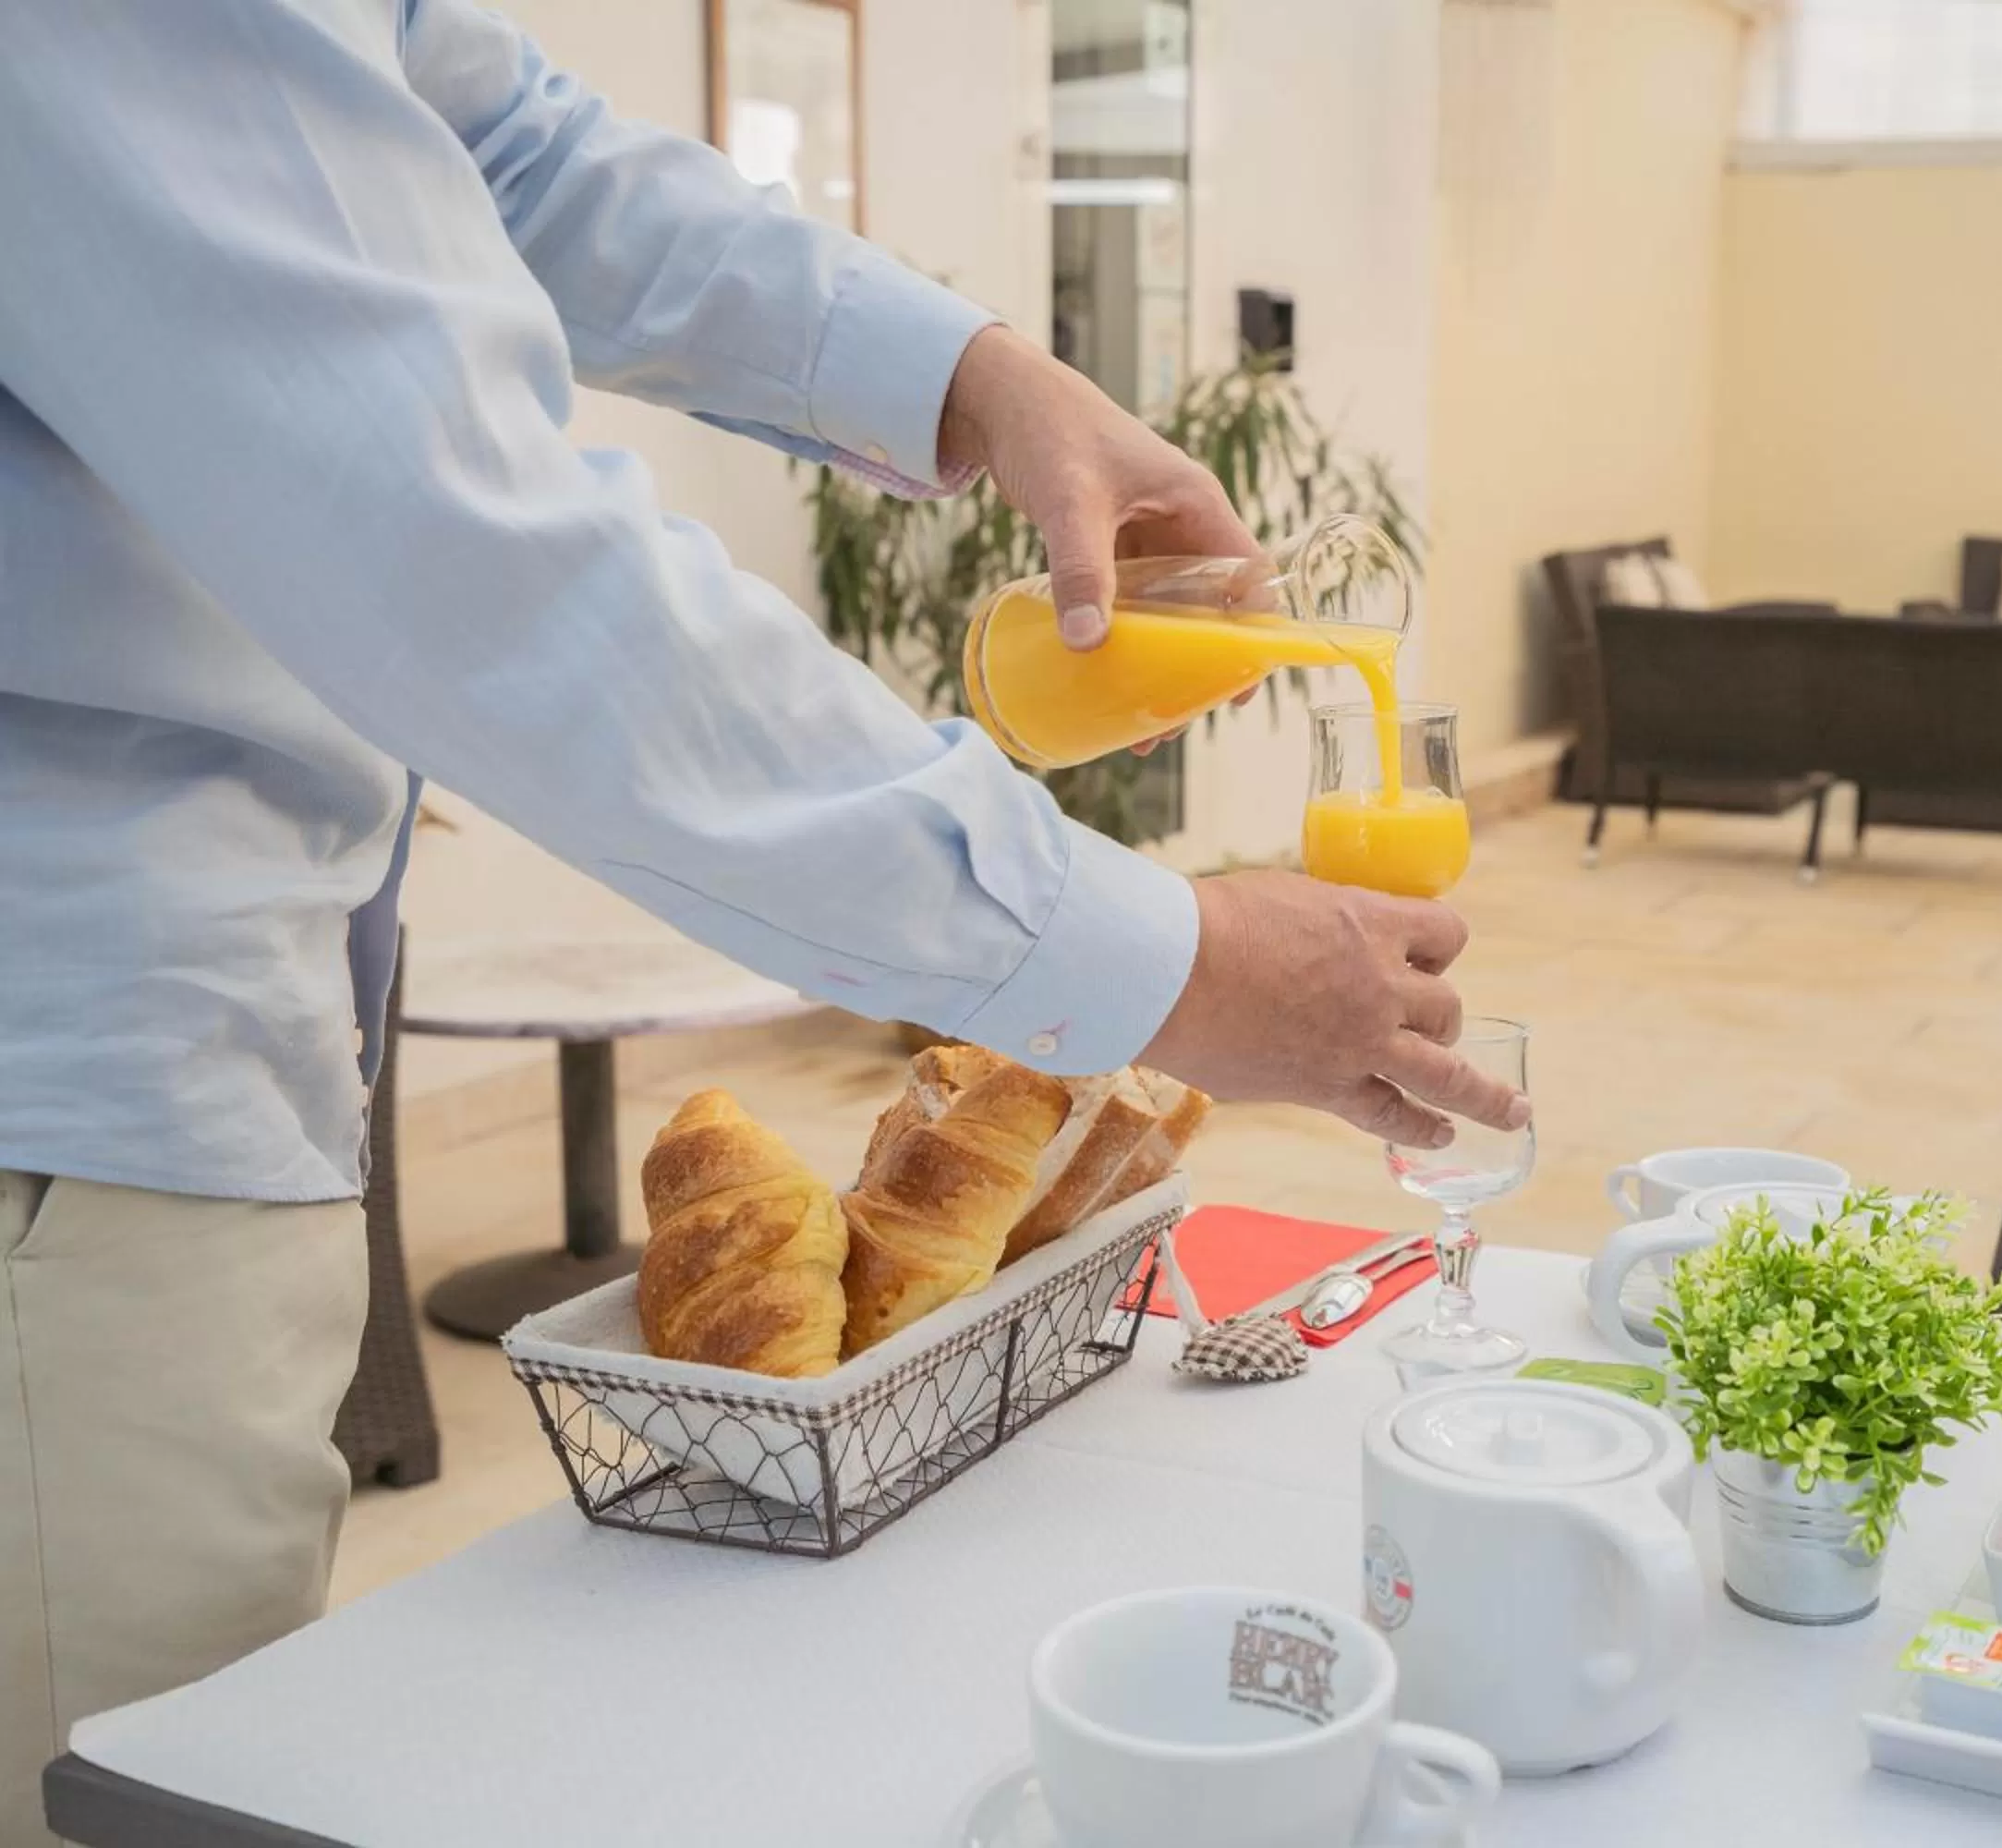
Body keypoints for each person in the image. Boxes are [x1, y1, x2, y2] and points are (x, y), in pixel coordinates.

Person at [0, 5, 1526, 1840]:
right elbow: (476, 561)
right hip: (64, 1103)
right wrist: (1164, 961)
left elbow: (511, 152)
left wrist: (970, 376)